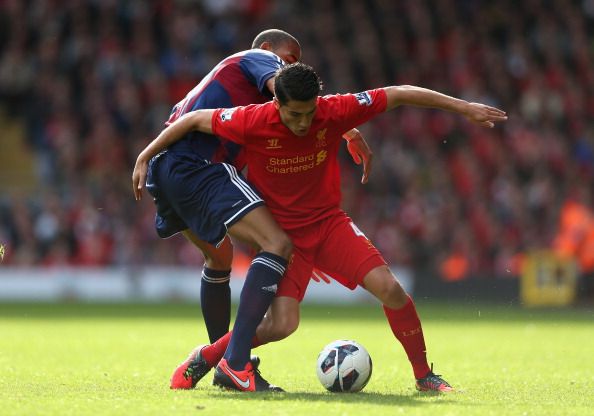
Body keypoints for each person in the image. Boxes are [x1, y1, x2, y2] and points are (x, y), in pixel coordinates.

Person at [133, 63, 507, 392]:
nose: (303, 123)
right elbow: (194, 120)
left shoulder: (334, 111)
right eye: (294, 114)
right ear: (276, 104)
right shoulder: (252, 119)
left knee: (391, 290)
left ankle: (425, 376)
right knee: (282, 325)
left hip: (328, 225)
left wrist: (465, 108)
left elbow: (400, 93)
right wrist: (147, 154)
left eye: (309, 113)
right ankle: (212, 356)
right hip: (283, 237)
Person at [134, 30, 372, 391]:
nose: (292, 68)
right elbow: (290, 90)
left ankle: (223, 365)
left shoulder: (245, 109)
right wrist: (344, 125)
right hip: (196, 164)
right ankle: (235, 362)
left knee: (219, 257)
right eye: (290, 59)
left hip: (168, 171)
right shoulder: (257, 60)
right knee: (276, 243)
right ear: (267, 50)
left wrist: (147, 155)